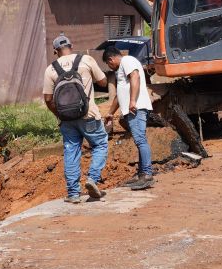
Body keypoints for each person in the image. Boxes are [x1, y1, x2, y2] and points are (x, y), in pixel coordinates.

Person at [42, 34, 108, 203]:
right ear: (71, 46)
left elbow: (48, 99)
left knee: (71, 151)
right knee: (100, 145)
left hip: (67, 119)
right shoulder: (86, 60)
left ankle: (73, 194)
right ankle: (92, 179)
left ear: (55, 51)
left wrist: (59, 114)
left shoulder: (50, 69)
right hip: (89, 114)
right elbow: (103, 82)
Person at [103, 46, 154, 190]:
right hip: (133, 109)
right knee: (139, 140)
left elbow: (135, 76)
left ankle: (147, 174)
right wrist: (110, 113)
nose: (110, 67)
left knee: (140, 140)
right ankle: (141, 174)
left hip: (136, 108)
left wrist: (132, 101)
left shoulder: (127, 61)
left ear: (111, 59)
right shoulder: (122, 67)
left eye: (108, 64)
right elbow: (119, 95)